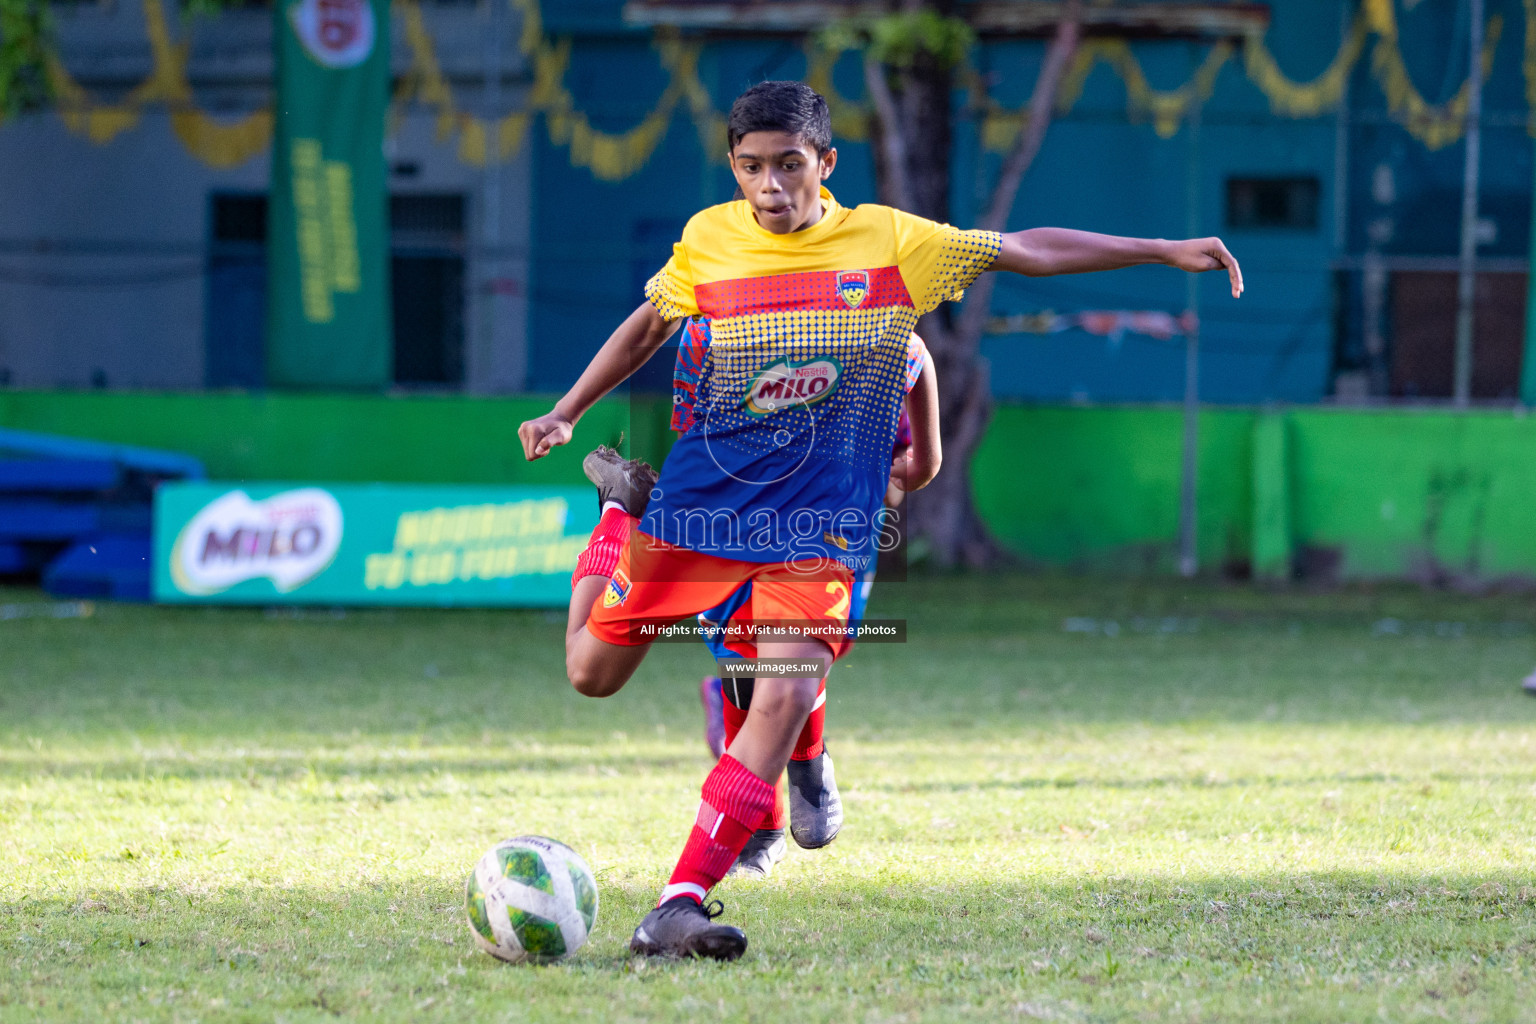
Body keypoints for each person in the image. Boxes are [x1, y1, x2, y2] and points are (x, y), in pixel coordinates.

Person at [517, 79, 1242, 961]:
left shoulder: (892, 242)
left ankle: (679, 902)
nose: (771, 187)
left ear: (826, 163)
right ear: (735, 171)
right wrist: (566, 409)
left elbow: (1027, 253)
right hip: (700, 511)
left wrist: (1161, 249)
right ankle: (618, 515)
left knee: (777, 693)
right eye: (751, 168)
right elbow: (647, 327)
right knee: (591, 673)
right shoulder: (709, 240)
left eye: (789, 165)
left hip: (823, 527)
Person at [683, 315, 936, 877]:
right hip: (733, 516)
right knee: (741, 666)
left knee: (794, 656)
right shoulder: (712, 324)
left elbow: (906, 438)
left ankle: (805, 760)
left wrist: (876, 486)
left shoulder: (861, 335)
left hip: (824, 528)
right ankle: (766, 817)